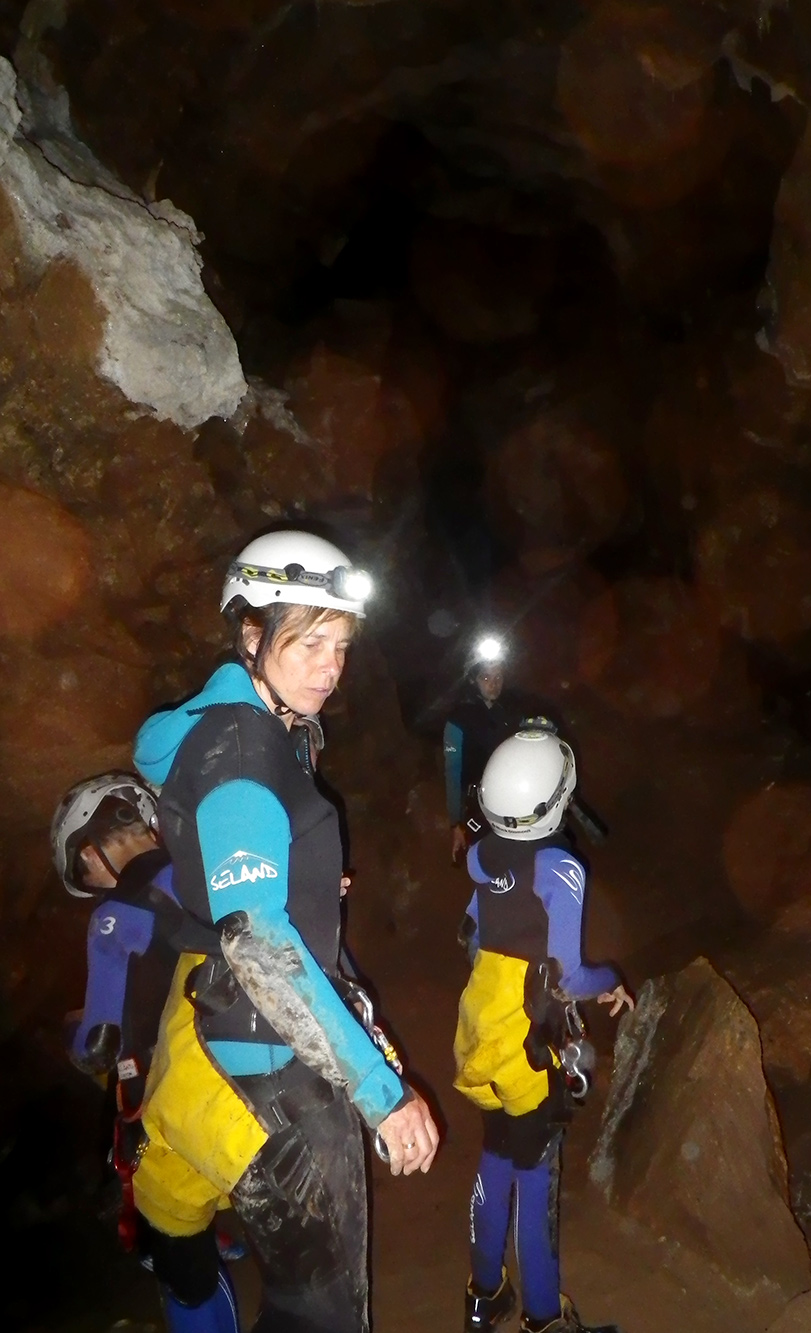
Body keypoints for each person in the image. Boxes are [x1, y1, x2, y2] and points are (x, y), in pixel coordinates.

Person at [131, 527, 439, 1333]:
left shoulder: (246, 726)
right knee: (322, 1314)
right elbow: (259, 942)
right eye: (307, 641)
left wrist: (306, 883)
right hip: (271, 1062)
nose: (329, 665)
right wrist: (383, 1096)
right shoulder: (241, 751)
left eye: (339, 644)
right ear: (252, 633)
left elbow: (236, 876)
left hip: (223, 1025)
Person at [454, 726, 633, 1333]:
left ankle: (485, 1293)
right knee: (536, 1183)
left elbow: (475, 933)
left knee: (495, 1155)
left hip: (481, 1034)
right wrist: (610, 978)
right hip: (526, 1049)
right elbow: (567, 974)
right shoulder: (559, 871)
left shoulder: (481, 856)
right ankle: (543, 1318)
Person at [52, 772, 240, 1333]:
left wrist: (74, 1034)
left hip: (185, 1107)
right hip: (260, 1072)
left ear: (94, 849)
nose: (94, 887)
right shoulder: (217, 864)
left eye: (85, 873)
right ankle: (227, 1231)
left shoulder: (116, 915)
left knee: (182, 1272)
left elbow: (99, 1044)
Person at [444, 634, 531, 864]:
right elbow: (453, 772)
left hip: (514, 800)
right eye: (485, 677)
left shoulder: (512, 713)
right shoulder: (458, 720)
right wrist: (456, 823)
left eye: (498, 677)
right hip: (479, 807)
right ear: (473, 680)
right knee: (488, 865)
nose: (493, 684)